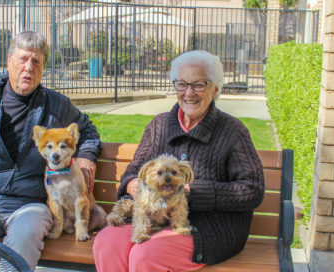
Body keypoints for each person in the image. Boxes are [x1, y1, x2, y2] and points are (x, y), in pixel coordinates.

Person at [0, 30, 101, 270]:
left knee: (20, 246)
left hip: (29, 206)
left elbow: (89, 132)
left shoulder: (56, 106)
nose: (28, 67)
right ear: (8, 60)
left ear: (43, 67)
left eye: (36, 61)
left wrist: (85, 159)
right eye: (23, 59)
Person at [92, 50, 265, 271]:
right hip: (153, 218)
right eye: (182, 84)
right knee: (107, 243)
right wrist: (132, 184)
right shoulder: (159, 125)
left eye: (199, 84)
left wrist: (194, 192)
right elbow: (134, 170)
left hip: (208, 228)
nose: (189, 93)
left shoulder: (233, 132)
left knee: (145, 256)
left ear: (216, 88)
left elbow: (252, 189)